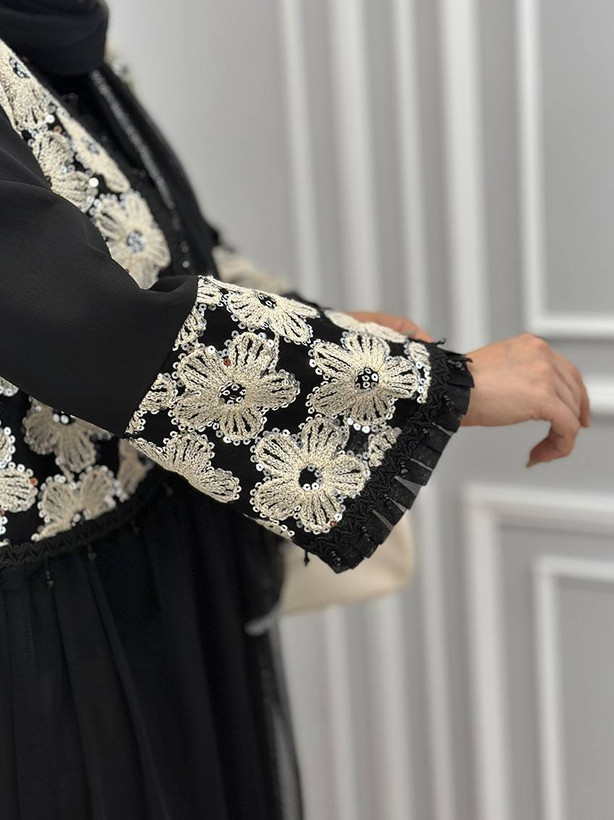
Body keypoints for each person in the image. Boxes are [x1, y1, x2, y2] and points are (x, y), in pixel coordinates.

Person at [0, 1, 590, 818]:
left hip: (148, 559)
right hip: (49, 617)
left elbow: (159, 246)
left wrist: (325, 330)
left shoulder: (53, 33)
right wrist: (436, 385)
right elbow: (78, 317)